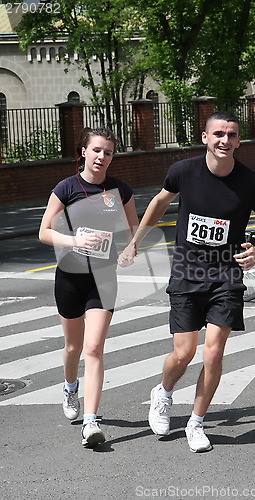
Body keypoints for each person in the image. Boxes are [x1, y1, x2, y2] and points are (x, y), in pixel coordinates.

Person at [118, 110, 255, 453]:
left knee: (213, 352)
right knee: (183, 352)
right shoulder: (183, 171)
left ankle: (196, 421)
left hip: (226, 276)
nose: (225, 140)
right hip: (188, 273)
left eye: (232, 135)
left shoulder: (251, 183)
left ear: (238, 140)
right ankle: (163, 393)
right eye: (218, 134)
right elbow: (160, 203)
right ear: (205, 137)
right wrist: (135, 242)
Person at [39, 127, 138, 447]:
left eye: (108, 152)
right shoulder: (66, 188)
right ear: (84, 152)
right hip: (69, 277)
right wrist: (74, 240)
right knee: (73, 347)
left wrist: (129, 249)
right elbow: (44, 231)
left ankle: (91, 421)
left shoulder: (120, 190)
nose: (102, 157)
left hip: (103, 278)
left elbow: (133, 229)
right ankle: (70, 387)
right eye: (96, 150)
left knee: (94, 348)